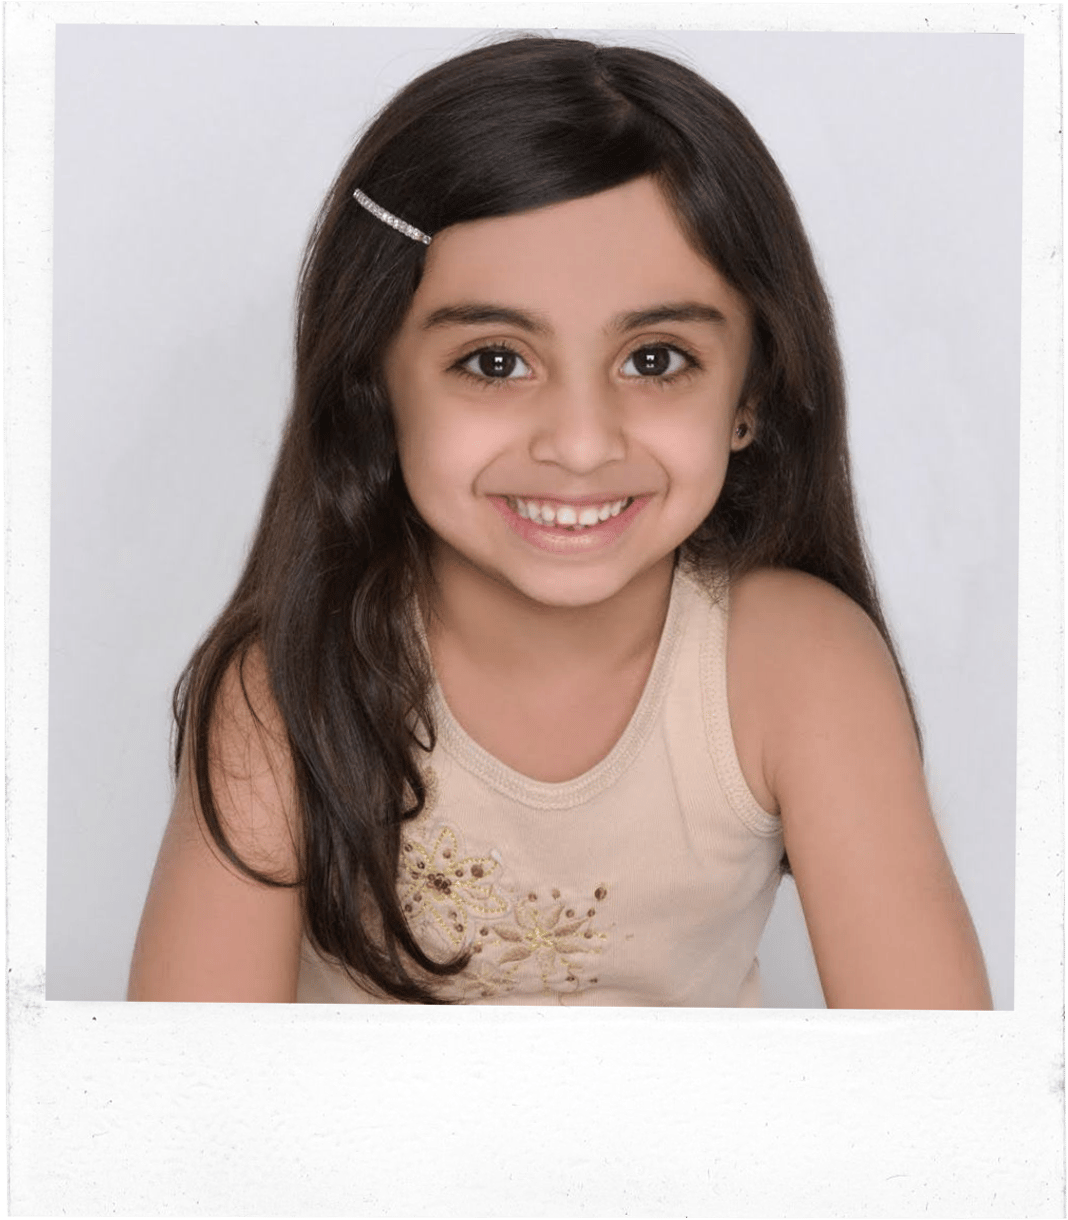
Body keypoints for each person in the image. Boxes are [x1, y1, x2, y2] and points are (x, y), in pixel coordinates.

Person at [127, 35, 992, 1008]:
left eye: (656, 359)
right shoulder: (284, 688)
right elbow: (184, 1105)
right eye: (495, 361)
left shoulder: (799, 668)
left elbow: (935, 1096)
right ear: (376, 383)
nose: (581, 443)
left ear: (751, 391)